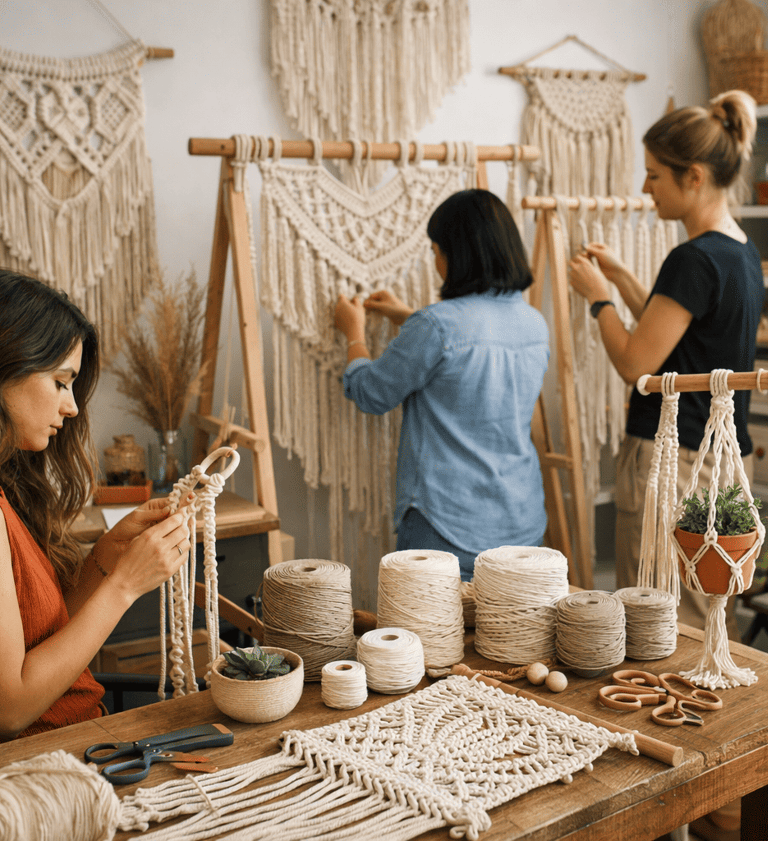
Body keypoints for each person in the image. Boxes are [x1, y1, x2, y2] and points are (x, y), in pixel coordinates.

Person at [568, 91, 763, 841]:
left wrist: (594, 301)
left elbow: (638, 361)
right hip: (719, 462)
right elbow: (684, 340)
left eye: (653, 175)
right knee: (703, 617)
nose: (643, 187)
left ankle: (672, 802)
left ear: (691, 178)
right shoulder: (735, 251)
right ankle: (715, 796)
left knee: (660, 622)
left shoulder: (690, 258)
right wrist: (622, 275)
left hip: (670, 460)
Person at [0, 271, 192, 740]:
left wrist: (105, 561)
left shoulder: (6, 488)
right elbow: (11, 708)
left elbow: (34, 643)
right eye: (61, 382)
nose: (70, 407)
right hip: (46, 770)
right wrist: (124, 587)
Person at [334, 188, 549, 582]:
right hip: (521, 525)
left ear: (458, 255)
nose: (434, 262)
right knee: (507, 642)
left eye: (436, 251)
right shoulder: (534, 323)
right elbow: (466, 355)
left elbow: (370, 393)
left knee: (434, 642)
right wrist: (409, 318)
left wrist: (354, 334)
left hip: (446, 528)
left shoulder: (437, 326)